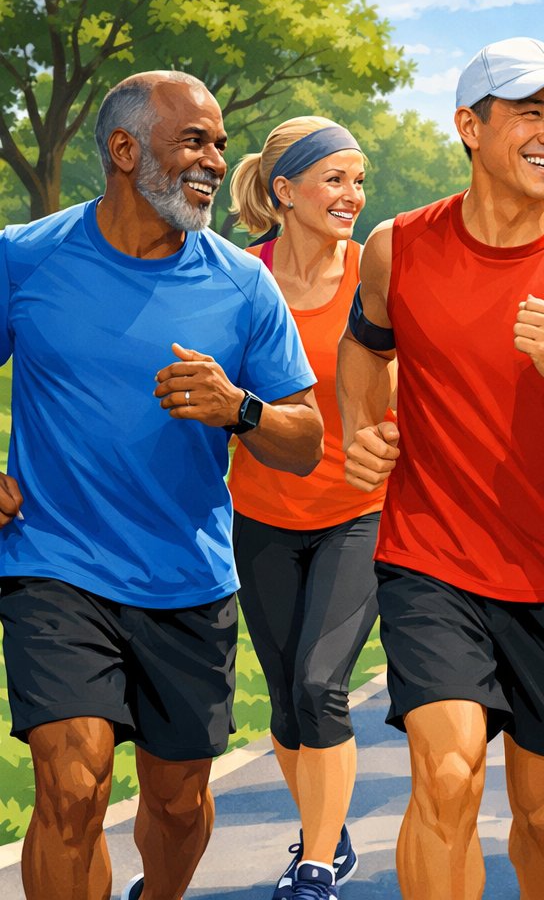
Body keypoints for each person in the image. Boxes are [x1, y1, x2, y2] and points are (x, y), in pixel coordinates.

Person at [336, 36, 544, 900]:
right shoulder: (397, 245)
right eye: (532, 113)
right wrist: (361, 424)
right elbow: (364, 344)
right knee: (446, 778)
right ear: (470, 126)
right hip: (430, 560)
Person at [0, 71, 323, 900]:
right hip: (53, 562)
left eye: (220, 145)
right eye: (195, 142)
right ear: (124, 149)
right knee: (72, 787)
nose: (216, 160)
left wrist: (239, 408)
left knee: (178, 804)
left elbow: (306, 440)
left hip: (186, 576)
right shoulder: (25, 257)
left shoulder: (242, 283)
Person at [228, 117, 393, 900]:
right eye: (336, 179)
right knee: (289, 700)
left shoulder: (376, 277)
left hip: (359, 511)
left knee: (320, 684)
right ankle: (328, 830)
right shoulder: (238, 279)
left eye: (359, 181)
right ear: (285, 191)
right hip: (259, 514)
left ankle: (317, 866)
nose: (353, 195)